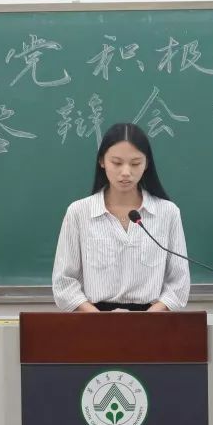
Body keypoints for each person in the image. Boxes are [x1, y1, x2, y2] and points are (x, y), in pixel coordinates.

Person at [52, 122, 190, 312]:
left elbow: (179, 282)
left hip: (152, 320)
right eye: (116, 163)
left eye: (135, 163)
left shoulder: (168, 212)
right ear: (102, 161)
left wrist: (148, 318)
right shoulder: (79, 212)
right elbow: (64, 282)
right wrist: (100, 319)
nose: (126, 172)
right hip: (94, 319)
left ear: (147, 163)